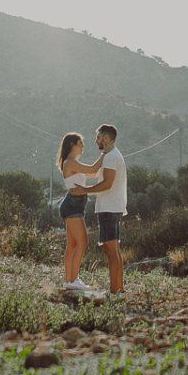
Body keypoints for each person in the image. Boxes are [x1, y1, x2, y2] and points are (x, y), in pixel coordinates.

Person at [70, 124, 128, 296]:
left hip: (109, 208)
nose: (96, 141)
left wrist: (83, 190)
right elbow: (95, 172)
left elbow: (107, 184)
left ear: (107, 139)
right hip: (113, 207)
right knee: (114, 250)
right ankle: (118, 289)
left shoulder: (111, 157)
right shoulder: (109, 155)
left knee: (111, 250)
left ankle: (116, 291)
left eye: (98, 137)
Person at [56, 132, 102, 295]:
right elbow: (93, 168)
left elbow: (94, 173)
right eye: (80, 143)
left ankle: (70, 281)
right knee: (82, 242)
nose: (83, 146)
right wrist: (106, 153)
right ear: (72, 145)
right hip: (73, 206)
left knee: (73, 245)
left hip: (74, 205)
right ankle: (74, 280)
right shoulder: (70, 163)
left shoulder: (73, 163)